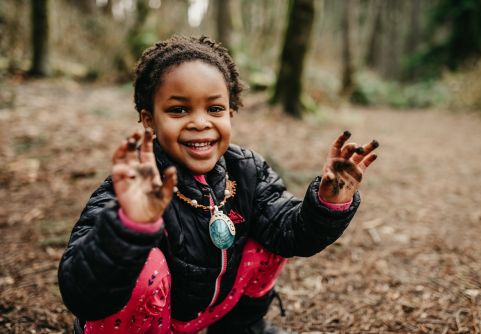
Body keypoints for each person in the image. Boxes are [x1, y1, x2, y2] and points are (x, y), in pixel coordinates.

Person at [58, 35, 379, 334]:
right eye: (178, 109)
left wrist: (329, 200)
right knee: (144, 266)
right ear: (148, 119)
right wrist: (127, 226)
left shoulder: (247, 171)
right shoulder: (130, 189)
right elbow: (82, 294)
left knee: (267, 239)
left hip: (214, 312)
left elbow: (291, 232)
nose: (200, 122)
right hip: (147, 322)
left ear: (231, 112)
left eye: (214, 108)